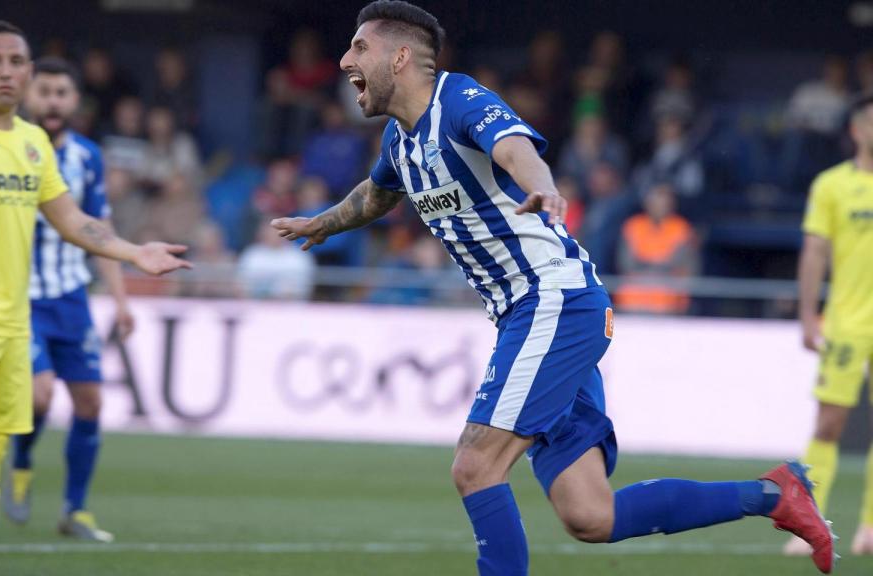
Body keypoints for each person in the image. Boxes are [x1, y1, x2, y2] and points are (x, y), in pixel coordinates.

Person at [271, 2, 837, 574]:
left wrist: (543, 186)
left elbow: (514, 147)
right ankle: (776, 494)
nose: (344, 61)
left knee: (475, 466)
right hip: (537, 315)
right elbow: (375, 195)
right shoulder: (400, 142)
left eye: (358, 48)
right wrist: (322, 222)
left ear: (399, 57)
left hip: (552, 303)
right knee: (591, 515)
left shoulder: (460, 100)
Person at [0, 21, 190, 576]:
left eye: (16, 62)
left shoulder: (33, 144)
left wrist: (134, 253)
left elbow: (74, 220)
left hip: (14, 321)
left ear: (28, 74)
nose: (6, 71)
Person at [0, 57, 131, 542]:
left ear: (75, 102)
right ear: (29, 96)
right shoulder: (7, 148)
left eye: (61, 93)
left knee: (91, 402)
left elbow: (100, 230)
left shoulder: (87, 157)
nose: (52, 101)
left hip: (71, 295)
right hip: (18, 298)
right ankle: (22, 458)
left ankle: (75, 510)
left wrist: (119, 300)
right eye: (44, 91)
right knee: (40, 392)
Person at [788, 93, 873, 558]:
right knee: (829, 423)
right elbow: (815, 251)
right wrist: (807, 314)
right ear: (858, 130)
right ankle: (809, 525)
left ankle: (870, 527)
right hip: (846, 321)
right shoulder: (832, 185)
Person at [615, 182, 698, 315]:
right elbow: (626, 263)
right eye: (656, 200)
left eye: (665, 201)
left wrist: (647, 265)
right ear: (647, 203)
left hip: (669, 298)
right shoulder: (633, 226)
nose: (660, 205)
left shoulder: (681, 228)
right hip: (633, 298)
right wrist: (658, 266)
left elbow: (680, 264)